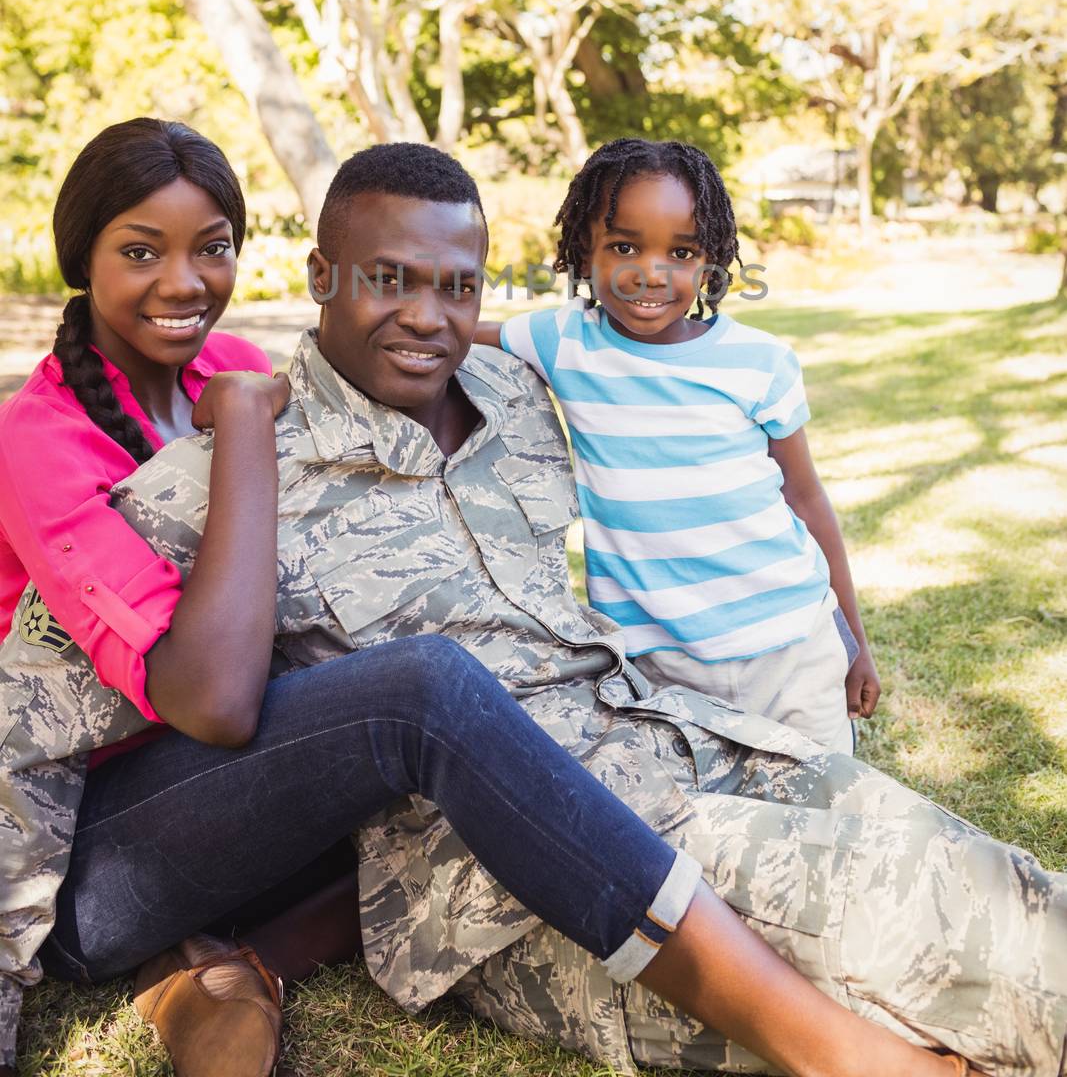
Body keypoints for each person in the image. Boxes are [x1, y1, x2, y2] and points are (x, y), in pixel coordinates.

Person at [96, 145, 1061, 1076]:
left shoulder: (517, 391)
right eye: (388, 278)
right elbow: (46, 735)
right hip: (523, 874)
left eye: (455, 286)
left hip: (688, 738)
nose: (428, 317)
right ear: (321, 273)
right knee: (951, 935)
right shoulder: (223, 480)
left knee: (994, 878)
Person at [0, 121, 783, 1077]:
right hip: (104, 828)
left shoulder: (232, 366)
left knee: (441, 761)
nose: (183, 282)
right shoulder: (46, 441)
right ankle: (205, 966)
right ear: (77, 256)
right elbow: (189, 702)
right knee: (416, 694)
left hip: (253, 787)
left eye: (212, 249)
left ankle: (236, 962)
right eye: (139, 251)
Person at [474, 137, 877, 753]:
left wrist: (855, 639)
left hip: (793, 646)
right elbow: (444, 334)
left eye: (681, 251)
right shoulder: (564, 341)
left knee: (832, 810)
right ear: (585, 250)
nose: (650, 272)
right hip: (662, 666)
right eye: (624, 246)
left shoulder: (759, 362)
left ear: (710, 262)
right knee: (716, 823)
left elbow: (806, 498)